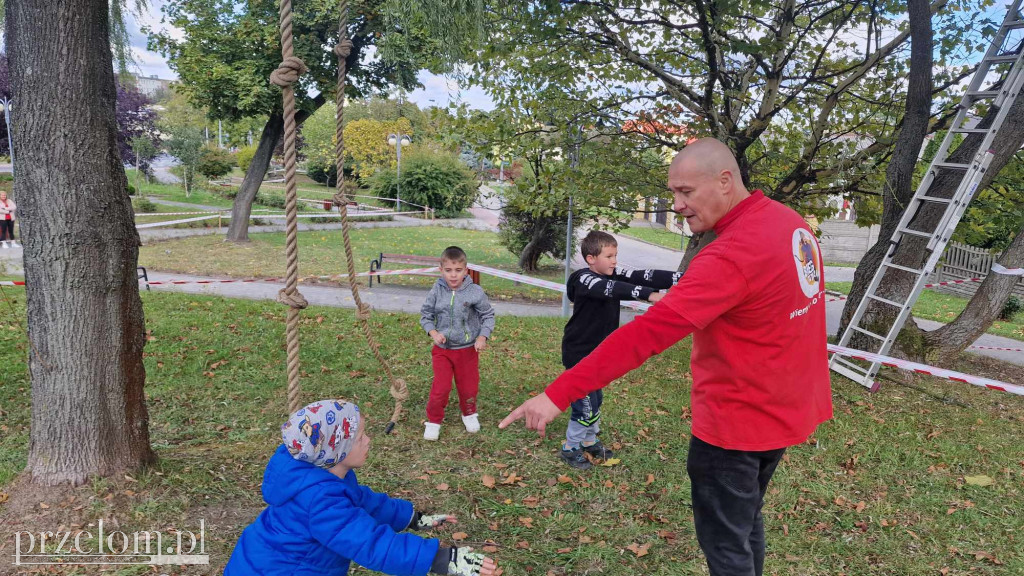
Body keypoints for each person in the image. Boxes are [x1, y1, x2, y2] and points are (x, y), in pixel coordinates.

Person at [499, 138, 832, 576]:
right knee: (744, 519)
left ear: (725, 181)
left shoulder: (730, 255)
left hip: (734, 427)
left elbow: (644, 336)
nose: (676, 205)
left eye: (686, 192)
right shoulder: (790, 224)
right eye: (673, 192)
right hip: (784, 413)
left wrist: (556, 394)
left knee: (727, 545)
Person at [226, 399, 498, 576]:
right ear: (336, 450)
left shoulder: (317, 474)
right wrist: (438, 558)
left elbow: (363, 501)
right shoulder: (321, 500)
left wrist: (413, 518)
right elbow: (370, 542)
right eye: (359, 437)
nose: (368, 441)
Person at [557, 230, 680, 470]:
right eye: (609, 256)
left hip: (599, 353)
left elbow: (642, 275)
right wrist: (651, 296)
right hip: (578, 353)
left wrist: (681, 278)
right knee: (585, 404)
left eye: (616, 255)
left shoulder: (610, 272)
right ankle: (570, 447)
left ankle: (590, 441)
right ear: (591, 258)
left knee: (596, 399)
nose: (614, 261)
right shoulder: (585, 279)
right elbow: (611, 289)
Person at [419, 246, 496, 441]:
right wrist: (434, 333)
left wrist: (482, 337)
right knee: (441, 387)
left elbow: (488, 316)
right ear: (441, 270)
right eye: (448, 270)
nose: (453, 275)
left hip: (467, 351)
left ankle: (469, 413)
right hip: (442, 351)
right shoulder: (436, 290)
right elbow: (425, 315)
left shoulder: (475, 292)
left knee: (469, 387)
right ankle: (434, 421)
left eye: (458, 270)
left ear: (466, 270)